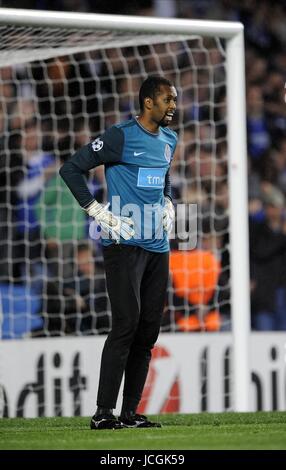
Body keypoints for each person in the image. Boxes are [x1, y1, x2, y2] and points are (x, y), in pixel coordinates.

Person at [60, 75, 177, 429]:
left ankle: (129, 414)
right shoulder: (120, 136)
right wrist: (96, 210)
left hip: (158, 246)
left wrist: (169, 200)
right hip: (123, 244)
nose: (173, 106)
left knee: (148, 330)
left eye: (174, 100)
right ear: (148, 102)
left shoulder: (170, 139)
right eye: (167, 100)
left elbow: (165, 176)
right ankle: (102, 413)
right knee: (126, 324)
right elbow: (71, 169)